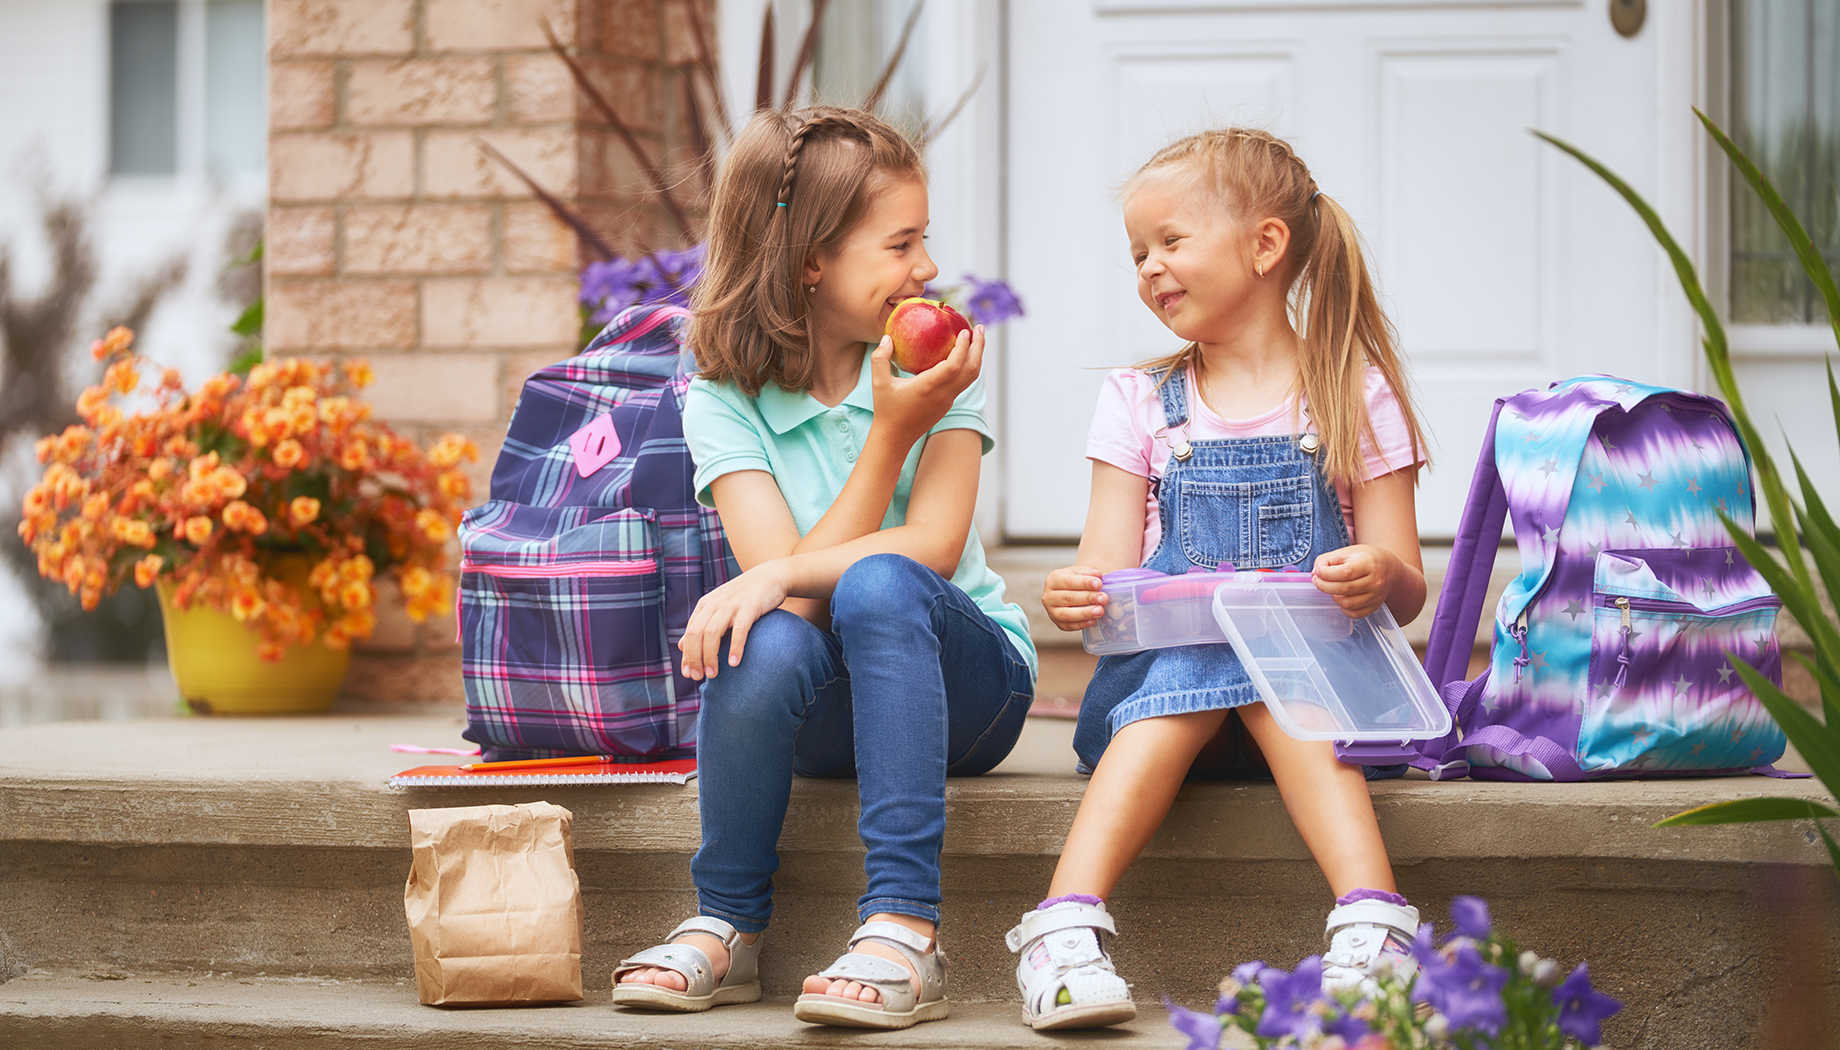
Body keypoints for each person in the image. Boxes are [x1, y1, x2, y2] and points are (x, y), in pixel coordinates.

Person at [608, 105, 1037, 1032]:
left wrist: (894, 427)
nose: (926, 267)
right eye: (901, 243)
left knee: (879, 584)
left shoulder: (943, 365)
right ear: (811, 259)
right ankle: (727, 924)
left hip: (972, 689)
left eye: (925, 240)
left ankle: (903, 926)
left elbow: (934, 546)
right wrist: (884, 443)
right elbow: (788, 592)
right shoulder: (723, 397)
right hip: (831, 699)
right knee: (763, 640)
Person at [1010, 127, 1432, 1031]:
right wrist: (1078, 589)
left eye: (1170, 241)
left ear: (1265, 245)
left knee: (1273, 672)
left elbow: (1408, 586)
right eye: (1137, 253)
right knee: (1206, 657)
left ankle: (1371, 923)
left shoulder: (1354, 392)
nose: (1149, 267)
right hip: (1162, 708)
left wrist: (1375, 573)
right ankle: (1066, 931)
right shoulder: (1138, 399)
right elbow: (1108, 566)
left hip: (1321, 705)